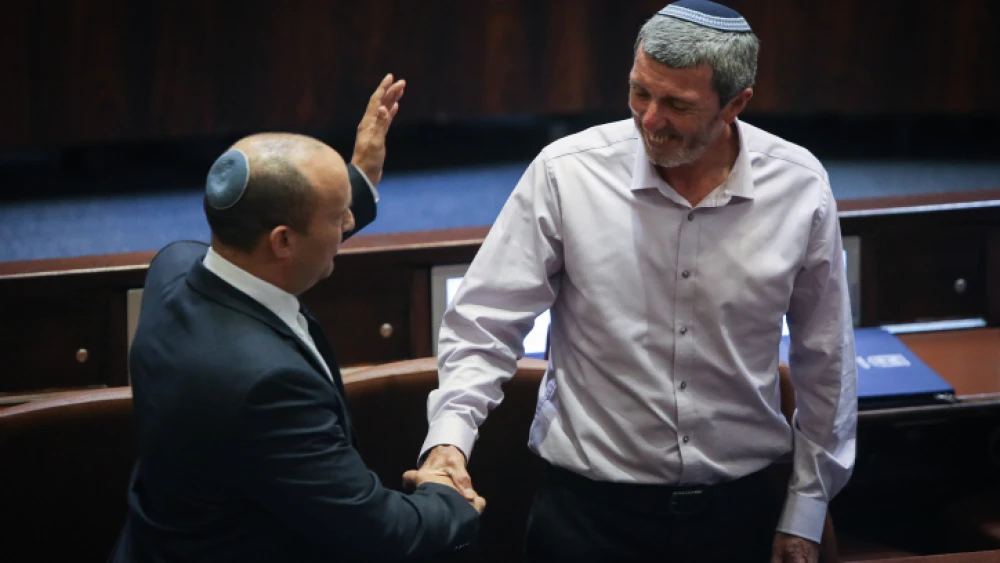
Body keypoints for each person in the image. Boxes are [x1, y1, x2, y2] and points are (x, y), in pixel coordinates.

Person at [418, 1, 857, 562]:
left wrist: (806, 509)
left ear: (736, 104)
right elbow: (484, 322)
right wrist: (449, 440)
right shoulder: (567, 172)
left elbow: (828, 361)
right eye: (639, 93)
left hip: (741, 512)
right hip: (587, 517)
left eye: (676, 104)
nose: (649, 120)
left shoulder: (799, 185)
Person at [109, 75, 485, 563]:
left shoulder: (174, 269)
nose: (349, 223)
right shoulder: (266, 386)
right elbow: (379, 533)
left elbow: (265, 228)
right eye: (338, 217)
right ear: (283, 241)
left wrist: (359, 179)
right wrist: (450, 502)